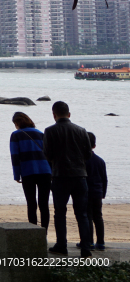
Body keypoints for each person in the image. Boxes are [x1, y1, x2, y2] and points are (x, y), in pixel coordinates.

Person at [43, 101, 93, 258]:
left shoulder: (50, 131)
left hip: (60, 176)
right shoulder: (81, 130)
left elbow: (47, 154)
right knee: (82, 214)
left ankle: (61, 245)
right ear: (69, 114)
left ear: (54, 115)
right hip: (80, 175)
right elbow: (88, 154)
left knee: (60, 212)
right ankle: (86, 247)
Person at [10, 111, 51, 232]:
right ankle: (44, 233)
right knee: (44, 204)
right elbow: (49, 154)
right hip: (45, 171)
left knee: (31, 204)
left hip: (28, 172)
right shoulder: (41, 133)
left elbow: (15, 156)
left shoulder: (16, 135)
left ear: (17, 123)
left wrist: (16, 175)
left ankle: (33, 232)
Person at [86, 132, 107, 252]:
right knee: (98, 217)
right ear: (94, 146)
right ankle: (101, 242)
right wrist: (103, 193)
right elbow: (104, 179)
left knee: (88, 216)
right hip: (98, 192)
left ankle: (89, 242)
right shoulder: (100, 161)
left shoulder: (82, 161)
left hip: (86, 192)